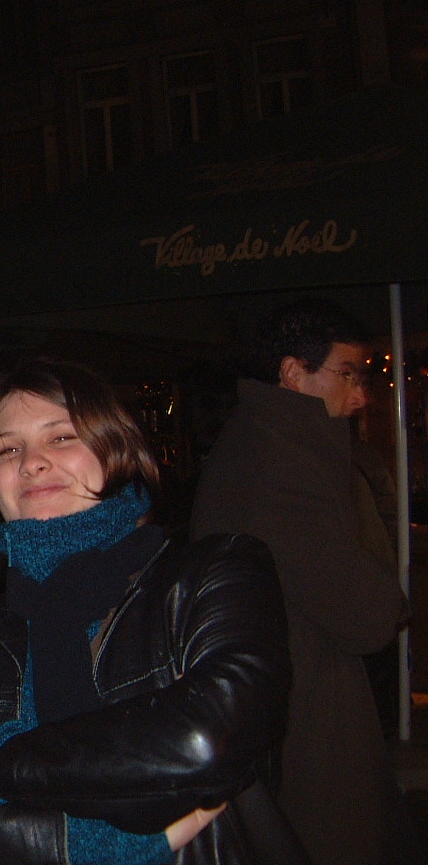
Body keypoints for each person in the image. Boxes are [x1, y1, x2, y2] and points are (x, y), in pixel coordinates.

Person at [0, 358, 296, 865]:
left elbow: (206, 740)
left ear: (115, 449)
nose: (32, 462)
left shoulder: (213, 574)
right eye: (8, 449)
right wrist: (109, 847)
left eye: (60, 438)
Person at [189, 298, 416, 865]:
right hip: (302, 721)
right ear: (294, 373)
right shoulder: (279, 463)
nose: (360, 396)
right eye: (347, 374)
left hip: (289, 706)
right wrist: (386, 592)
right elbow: (368, 613)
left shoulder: (272, 444)